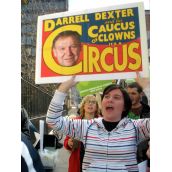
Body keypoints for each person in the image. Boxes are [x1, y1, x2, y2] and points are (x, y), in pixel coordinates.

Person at [46, 76, 149, 172]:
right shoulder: (86, 126)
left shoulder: (136, 127)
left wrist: (148, 88)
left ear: (125, 107)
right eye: (106, 96)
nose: (110, 100)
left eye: (116, 97)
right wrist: (64, 87)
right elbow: (52, 120)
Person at [64, 95, 100, 172]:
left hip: (96, 162)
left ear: (96, 107)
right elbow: (66, 142)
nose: (90, 104)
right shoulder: (75, 122)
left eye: (93, 102)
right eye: (88, 102)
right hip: (78, 162)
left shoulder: (101, 122)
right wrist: (69, 143)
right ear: (83, 106)